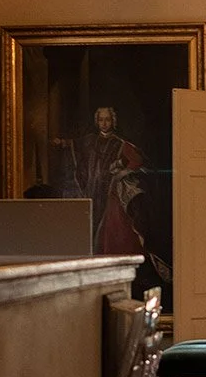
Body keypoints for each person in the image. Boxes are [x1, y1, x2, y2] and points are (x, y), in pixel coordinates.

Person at [55, 106, 171, 284]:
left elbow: (137, 160)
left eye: (107, 119)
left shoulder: (120, 143)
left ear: (113, 121)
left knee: (112, 229)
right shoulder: (91, 141)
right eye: (101, 120)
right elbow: (75, 145)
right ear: (97, 122)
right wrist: (61, 143)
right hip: (94, 190)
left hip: (111, 192)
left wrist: (122, 172)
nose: (104, 123)